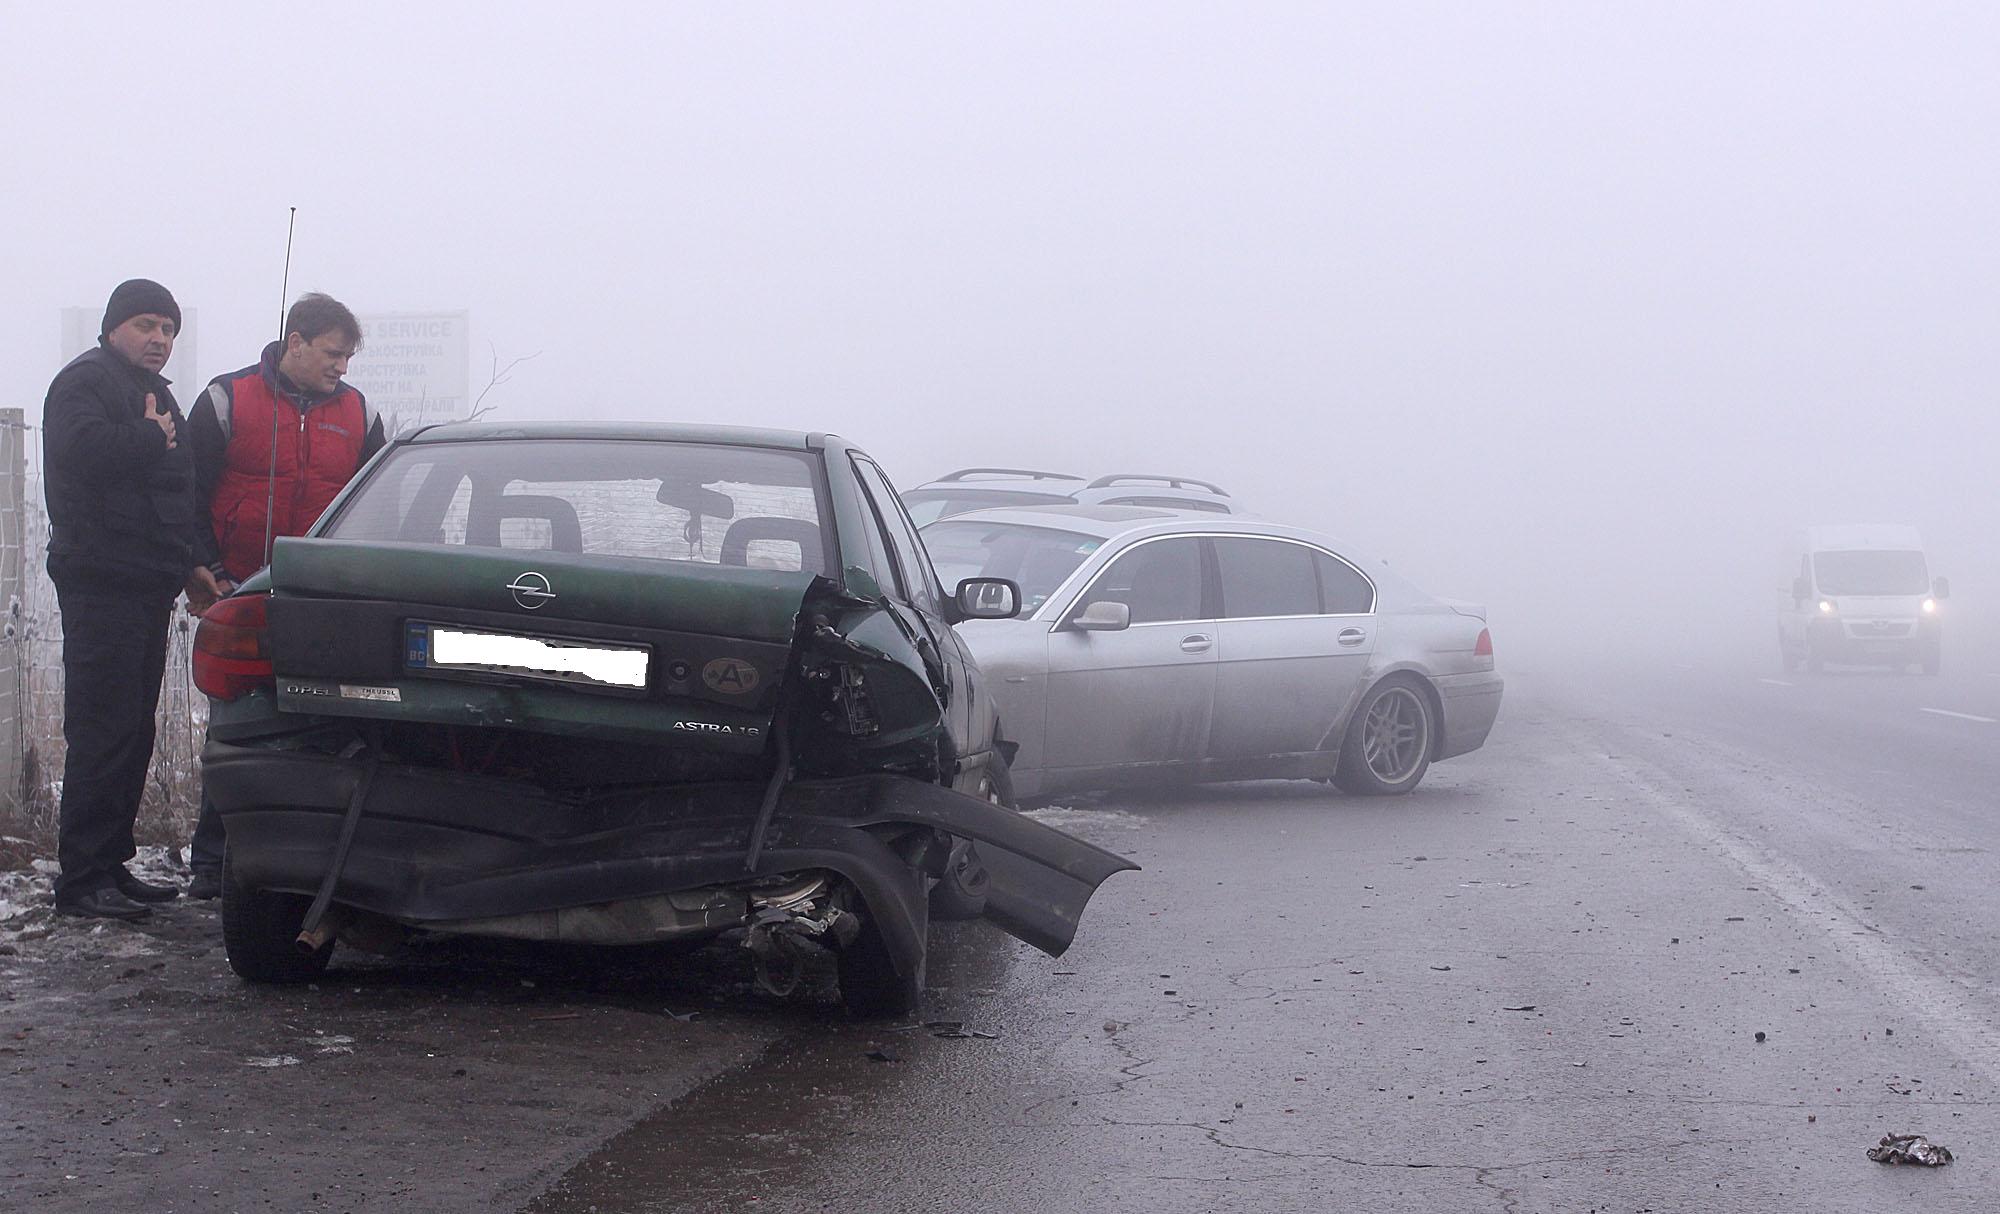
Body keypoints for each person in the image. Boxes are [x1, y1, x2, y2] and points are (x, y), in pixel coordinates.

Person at [184, 293, 384, 899]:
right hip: (236, 590)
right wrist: (203, 568)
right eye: (333, 353)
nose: (342, 368)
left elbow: (375, 505)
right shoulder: (226, 399)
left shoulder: (361, 413)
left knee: (322, 721)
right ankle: (212, 861)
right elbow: (188, 491)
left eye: (348, 356)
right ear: (294, 341)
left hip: (322, 594)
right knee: (236, 722)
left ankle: (306, 858)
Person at [42, 279, 227, 920]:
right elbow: (81, 451)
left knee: (131, 728)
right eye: (147, 325)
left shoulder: (152, 394)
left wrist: (188, 566)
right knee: (102, 730)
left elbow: (171, 494)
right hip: (101, 581)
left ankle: (109, 866)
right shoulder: (85, 381)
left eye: (169, 329)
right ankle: (82, 879)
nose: (160, 339)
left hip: (147, 581)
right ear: (114, 327)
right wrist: (150, 440)